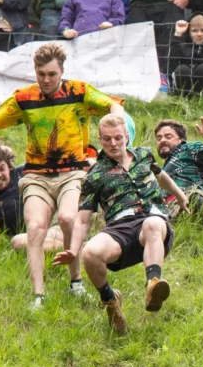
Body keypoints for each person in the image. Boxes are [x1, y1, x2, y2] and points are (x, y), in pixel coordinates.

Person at [0, 44, 124, 308]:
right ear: (35, 72)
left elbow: (113, 105)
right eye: (41, 74)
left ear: (61, 71)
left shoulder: (79, 92)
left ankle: (76, 281)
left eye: (52, 74)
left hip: (72, 171)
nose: (46, 79)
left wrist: (116, 126)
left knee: (66, 218)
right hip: (37, 175)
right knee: (36, 228)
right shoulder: (23, 98)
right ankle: (38, 296)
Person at [53, 114, 189, 335]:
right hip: (120, 227)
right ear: (100, 139)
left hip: (152, 222)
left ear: (127, 136)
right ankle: (111, 302)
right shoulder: (94, 176)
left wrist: (180, 195)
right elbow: (83, 219)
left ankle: (153, 285)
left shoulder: (144, 155)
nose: (113, 144)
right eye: (107, 139)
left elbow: (160, 174)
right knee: (91, 252)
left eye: (118, 138)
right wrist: (73, 250)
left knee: (153, 224)